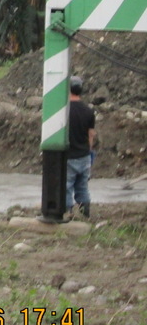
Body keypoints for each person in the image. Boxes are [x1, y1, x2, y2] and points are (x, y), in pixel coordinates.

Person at [66, 75, 96, 219]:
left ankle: (67, 213)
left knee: (66, 187)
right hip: (84, 156)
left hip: (69, 157)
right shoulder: (88, 111)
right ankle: (86, 215)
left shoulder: (63, 111)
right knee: (82, 187)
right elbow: (91, 135)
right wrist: (89, 154)